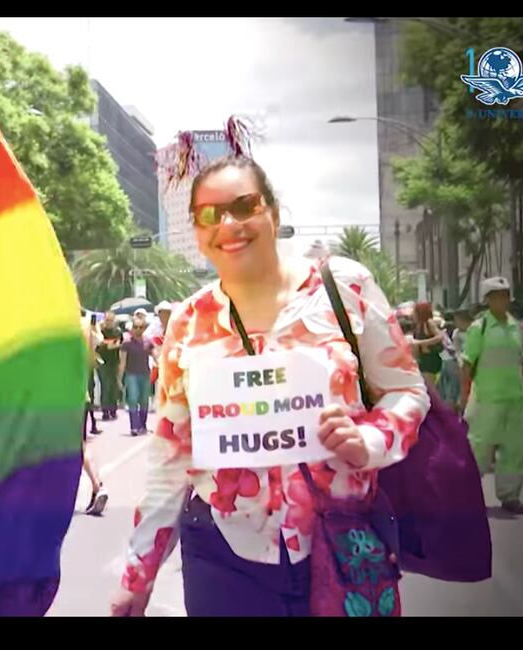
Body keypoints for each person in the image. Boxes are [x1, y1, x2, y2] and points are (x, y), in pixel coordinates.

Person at [110, 156, 429, 617]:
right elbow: (170, 459)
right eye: (209, 214)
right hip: (222, 555)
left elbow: (407, 390)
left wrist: (368, 441)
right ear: (197, 232)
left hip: (340, 544)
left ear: (273, 213)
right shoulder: (187, 322)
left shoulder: (343, 287)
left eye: (244, 206)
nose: (228, 224)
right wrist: (137, 577)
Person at [461, 277, 523, 515]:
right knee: (480, 449)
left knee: (514, 450)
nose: (502, 300)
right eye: (497, 295)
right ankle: (467, 495)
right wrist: (464, 398)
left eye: (505, 295)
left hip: (515, 398)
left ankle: (510, 496)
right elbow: (466, 365)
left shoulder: (515, 326)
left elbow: (519, 356)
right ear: (487, 300)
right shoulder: (479, 328)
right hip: (488, 399)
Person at [80, 312, 108, 515]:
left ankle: (98, 486)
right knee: (79, 445)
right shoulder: (84, 327)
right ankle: (97, 485)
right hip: (79, 394)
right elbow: (94, 354)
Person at [119, 314, 155, 437]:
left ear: (144, 328)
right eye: (136, 327)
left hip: (145, 374)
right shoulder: (126, 343)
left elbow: (155, 354)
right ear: (132, 328)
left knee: (144, 401)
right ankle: (134, 426)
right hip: (131, 375)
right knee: (133, 400)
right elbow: (122, 362)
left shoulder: (148, 341)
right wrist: (119, 379)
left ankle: (142, 426)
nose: (138, 329)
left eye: (140, 327)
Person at [96, 310, 123, 421]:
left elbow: (120, 344)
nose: (109, 322)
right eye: (107, 320)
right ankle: (105, 411)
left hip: (114, 362)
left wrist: (111, 345)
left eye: (111, 320)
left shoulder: (117, 332)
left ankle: (113, 410)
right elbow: (98, 346)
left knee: (113, 387)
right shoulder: (100, 332)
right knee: (105, 387)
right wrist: (110, 345)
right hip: (103, 363)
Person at [411, 302, 444, 388]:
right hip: (422, 359)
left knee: (430, 388)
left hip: (430, 359)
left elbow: (440, 336)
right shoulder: (418, 326)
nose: (412, 314)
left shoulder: (428, 323)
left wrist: (423, 342)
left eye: (414, 311)